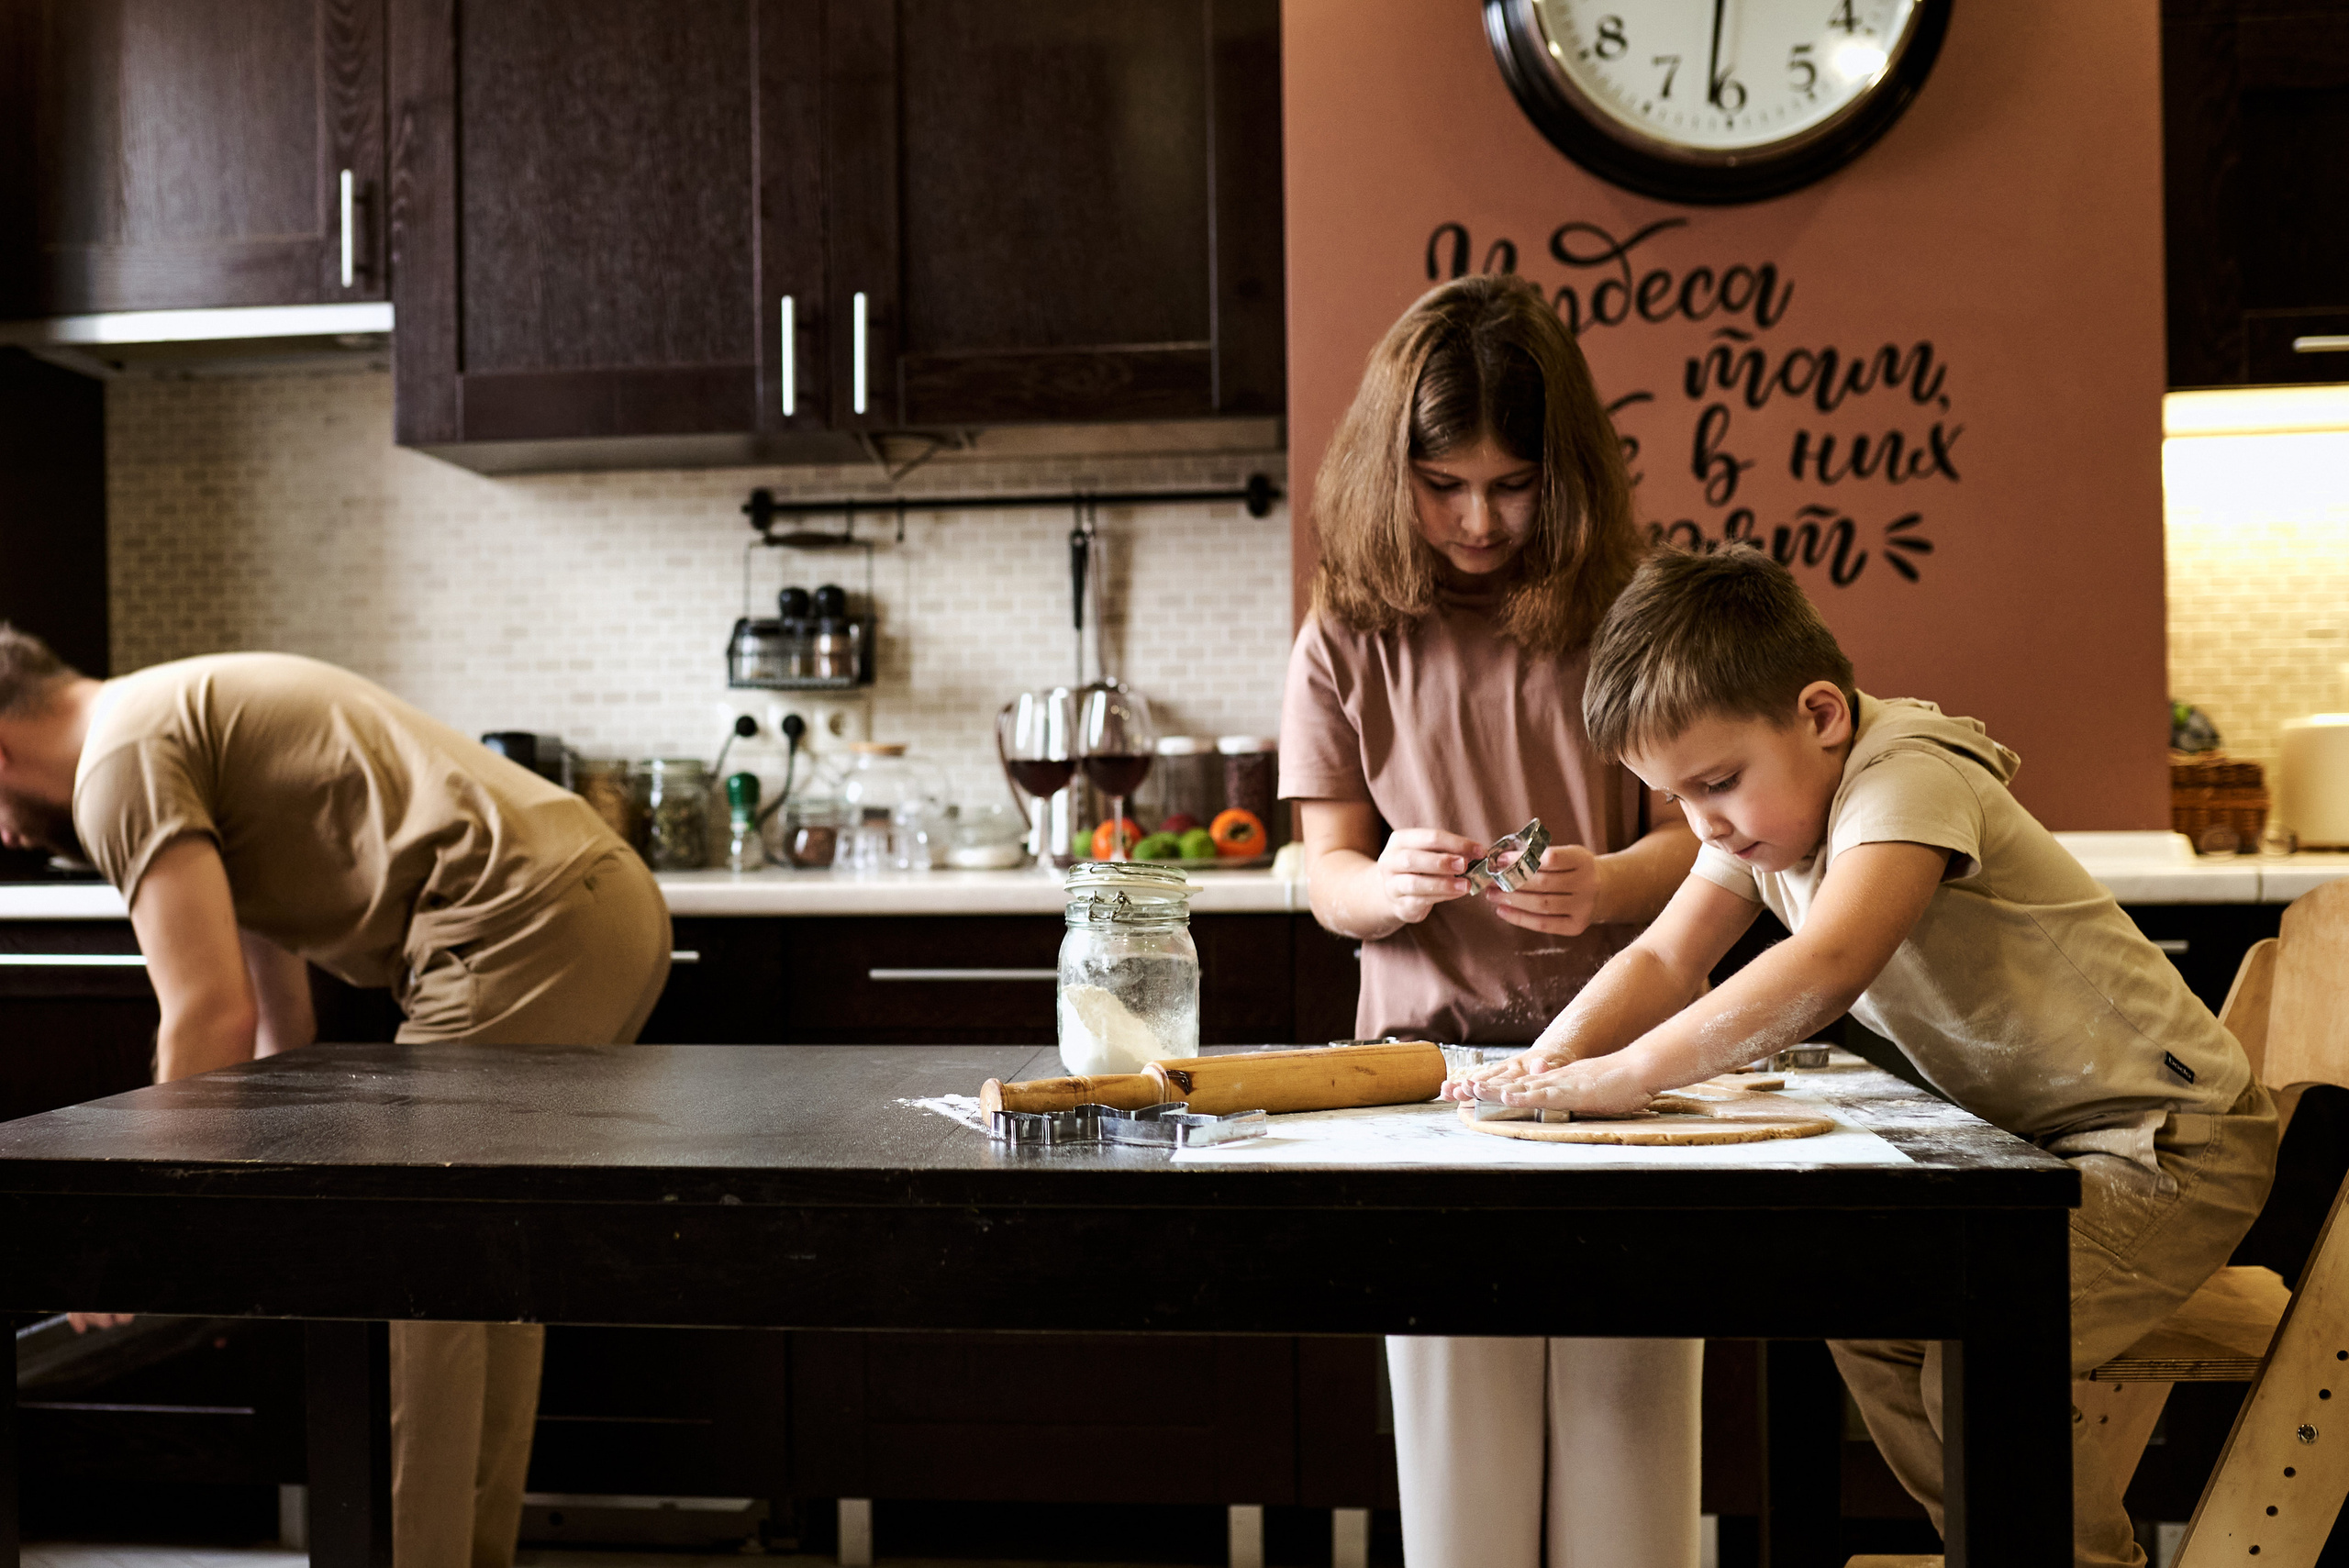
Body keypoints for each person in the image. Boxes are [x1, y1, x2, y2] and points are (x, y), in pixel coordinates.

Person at [1457, 546, 2277, 1568]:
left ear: (1819, 714)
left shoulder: (1909, 772)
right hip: (2049, 1152)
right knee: (1871, 1308)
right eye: (1678, 800)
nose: (1705, 821)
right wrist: (1547, 1060)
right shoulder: (1765, 814)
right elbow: (1668, 953)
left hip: (2172, 1151)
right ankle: (2011, 1548)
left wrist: (1624, 1076)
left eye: (1717, 783)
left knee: (1966, 1360)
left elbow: (1829, 961)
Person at [0, 631, 672, 1568]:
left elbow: (204, 1012)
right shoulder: (170, 718)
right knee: (484, 1268)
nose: (1, 831)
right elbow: (277, 1025)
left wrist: (133, 1238)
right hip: (589, 906)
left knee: (408, 1268)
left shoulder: (117, 764)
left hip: (516, 922)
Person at [1281, 272, 1706, 1568]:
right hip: (1425, 1082)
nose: (1477, 518)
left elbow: (1709, 841)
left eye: (1512, 484)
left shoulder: (1635, 610)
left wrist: (1614, 882)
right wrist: (1386, 885)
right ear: (1387, 470)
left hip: (1626, 1069)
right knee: (1460, 1474)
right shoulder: (1347, 632)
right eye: (1443, 482)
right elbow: (1323, 870)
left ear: (1563, 474)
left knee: (1630, 1449)